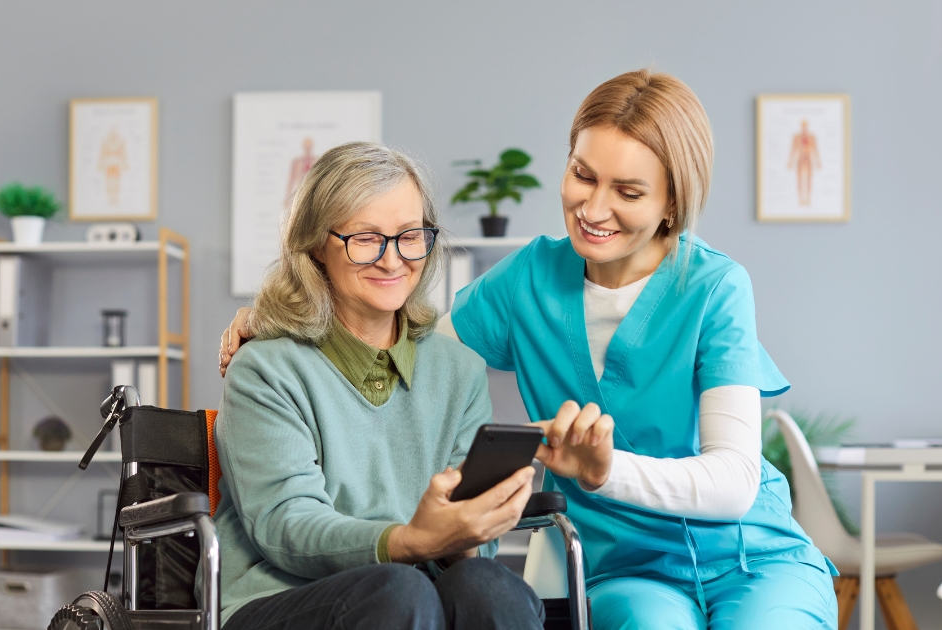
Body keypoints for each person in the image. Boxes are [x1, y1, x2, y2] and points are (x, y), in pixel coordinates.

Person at [221, 70, 839, 629]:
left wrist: (602, 471)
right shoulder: (525, 282)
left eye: (628, 190)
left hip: (748, 551)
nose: (594, 208)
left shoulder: (714, 287)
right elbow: (387, 340)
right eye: (583, 174)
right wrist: (281, 319)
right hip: (630, 567)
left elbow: (733, 480)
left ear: (672, 201)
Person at [210, 141, 545, 630]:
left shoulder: (460, 371)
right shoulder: (265, 368)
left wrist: (474, 525)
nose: (393, 261)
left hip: (417, 593)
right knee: (399, 589)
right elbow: (284, 525)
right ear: (315, 246)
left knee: (489, 584)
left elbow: (472, 550)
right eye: (366, 238)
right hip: (281, 597)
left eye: (410, 235)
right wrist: (408, 541)